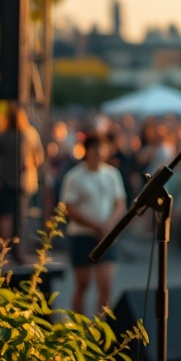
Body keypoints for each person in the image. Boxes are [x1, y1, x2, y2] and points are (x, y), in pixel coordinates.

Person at [59, 131, 126, 314]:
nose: (99, 153)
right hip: (82, 235)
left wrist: (109, 225)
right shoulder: (74, 176)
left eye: (101, 149)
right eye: (95, 149)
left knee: (106, 286)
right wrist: (96, 226)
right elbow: (70, 208)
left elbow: (120, 203)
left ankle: (100, 326)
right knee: (83, 285)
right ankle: (78, 323)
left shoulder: (112, 174)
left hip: (106, 236)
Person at [0, 103, 44, 262]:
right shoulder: (28, 134)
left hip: (11, 180)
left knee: (7, 216)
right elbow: (39, 156)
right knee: (18, 216)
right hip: (21, 181)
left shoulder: (5, 135)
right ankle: (17, 249)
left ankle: (6, 249)